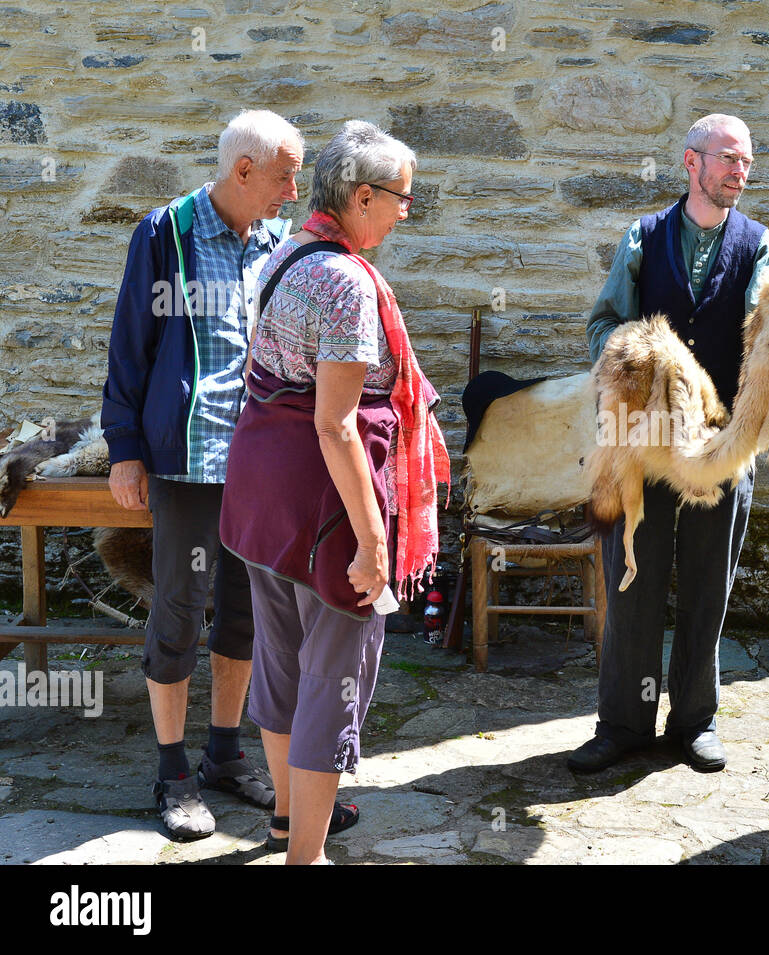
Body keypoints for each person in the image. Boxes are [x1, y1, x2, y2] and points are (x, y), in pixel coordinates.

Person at [220, 120, 449, 865]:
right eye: (401, 198)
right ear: (360, 196)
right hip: (327, 507)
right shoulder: (347, 281)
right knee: (332, 683)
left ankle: (288, 823)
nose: (406, 211)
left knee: (282, 663)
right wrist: (376, 541)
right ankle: (306, 859)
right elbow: (336, 424)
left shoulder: (289, 249)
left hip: (262, 495)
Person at [101, 109, 303, 839]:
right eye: (284, 176)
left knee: (247, 614)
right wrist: (124, 447)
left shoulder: (282, 243)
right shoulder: (165, 233)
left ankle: (223, 752)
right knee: (180, 610)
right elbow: (130, 344)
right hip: (186, 461)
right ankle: (172, 769)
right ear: (243, 171)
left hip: (262, 465)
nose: (292, 191)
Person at [569, 114, 769, 774]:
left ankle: (695, 721)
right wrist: (641, 366)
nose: (739, 171)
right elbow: (604, 323)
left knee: (706, 585)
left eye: (747, 161)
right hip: (641, 444)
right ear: (691, 163)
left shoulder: (759, 245)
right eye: (727, 158)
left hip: (721, 448)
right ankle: (624, 724)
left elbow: (767, 315)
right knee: (632, 579)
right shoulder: (645, 236)